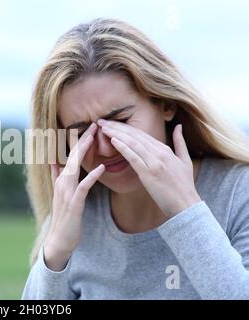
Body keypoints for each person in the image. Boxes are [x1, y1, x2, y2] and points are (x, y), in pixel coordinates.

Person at [21, 18, 249, 299]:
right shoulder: (74, 215)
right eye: (82, 133)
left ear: (166, 104)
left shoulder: (238, 193)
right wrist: (55, 253)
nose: (105, 147)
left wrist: (186, 212)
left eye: (120, 120)